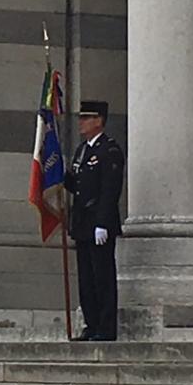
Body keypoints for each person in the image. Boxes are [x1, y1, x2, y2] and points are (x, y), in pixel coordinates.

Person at [62, 99, 126, 342]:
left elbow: (110, 190)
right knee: (86, 279)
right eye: (81, 118)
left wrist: (103, 222)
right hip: (82, 223)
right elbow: (76, 184)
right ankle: (91, 324)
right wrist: (57, 174)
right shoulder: (83, 150)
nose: (81, 122)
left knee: (102, 277)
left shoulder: (109, 151)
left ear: (99, 121)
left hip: (100, 223)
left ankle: (105, 328)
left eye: (86, 118)